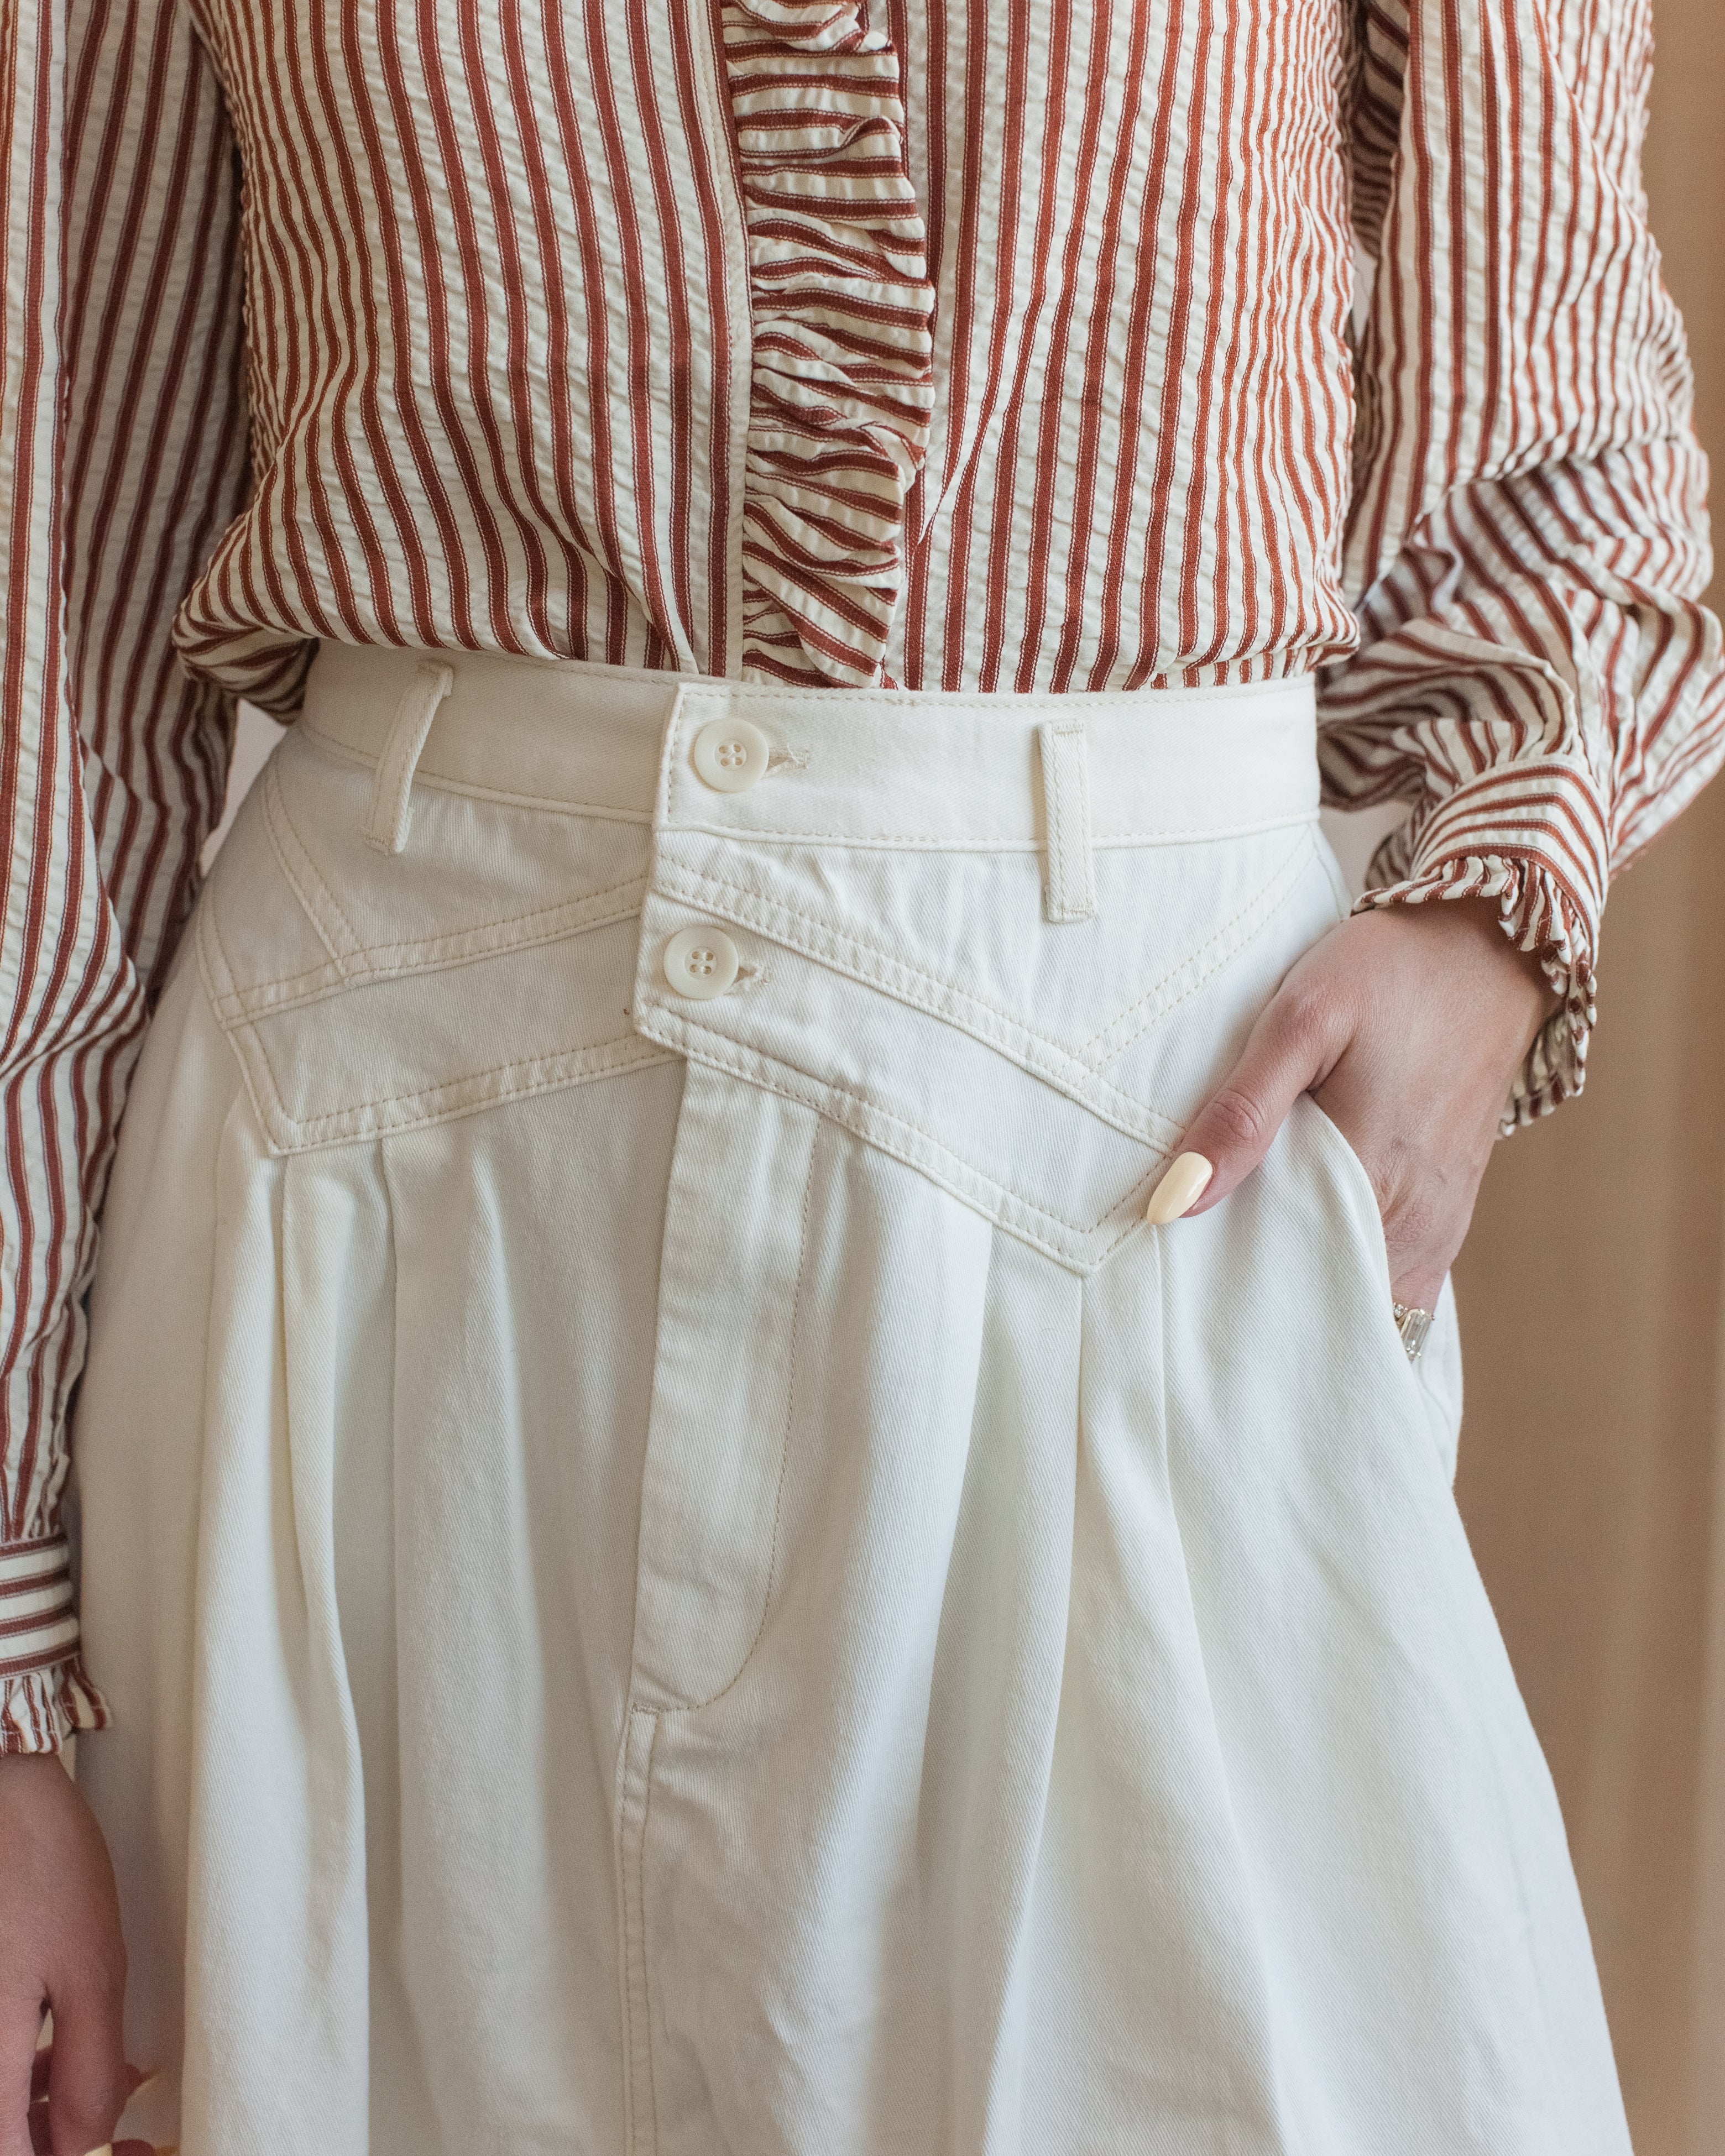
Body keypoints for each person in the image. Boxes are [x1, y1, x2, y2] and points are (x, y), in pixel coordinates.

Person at [1, 0, 1718, 2148]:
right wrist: (0, 1685)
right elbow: (38, 589)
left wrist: (1491, 920)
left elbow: (1548, 434)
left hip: (1127, 1150)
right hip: (383, 1224)